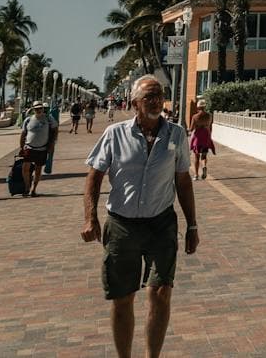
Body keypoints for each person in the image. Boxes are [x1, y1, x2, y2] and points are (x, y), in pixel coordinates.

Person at [83, 74, 197, 358]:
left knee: (161, 292)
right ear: (135, 103)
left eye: (159, 95)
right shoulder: (115, 134)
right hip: (122, 225)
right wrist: (90, 218)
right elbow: (94, 177)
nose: (156, 101)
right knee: (123, 298)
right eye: (149, 97)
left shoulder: (176, 134)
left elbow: (183, 181)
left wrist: (192, 225)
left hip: (161, 223)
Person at [19, 101, 53, 196]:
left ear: (43, 109)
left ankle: (34, 189)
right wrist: (21, 147)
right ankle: (27, 187)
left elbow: (55, 129)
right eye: (36, 109)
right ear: (33, 109)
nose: (38, 110)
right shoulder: (28, 120)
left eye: (40, 108)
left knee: (38, 170)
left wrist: (52, 144)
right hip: (29, 147)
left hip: (42, 149)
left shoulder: (48, 119)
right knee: (25, 168)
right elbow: (23, 134)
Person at [187, 104, 214, 181]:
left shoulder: (195, 116)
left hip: (197, 138)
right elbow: (210, 127)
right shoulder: (209, 116)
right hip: (206, 136)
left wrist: (188, 130)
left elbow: (191, 128)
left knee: (196, 157)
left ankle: (196, 175)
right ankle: (204, 166)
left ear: (198, 107)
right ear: (204, 107)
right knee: (204, 155)